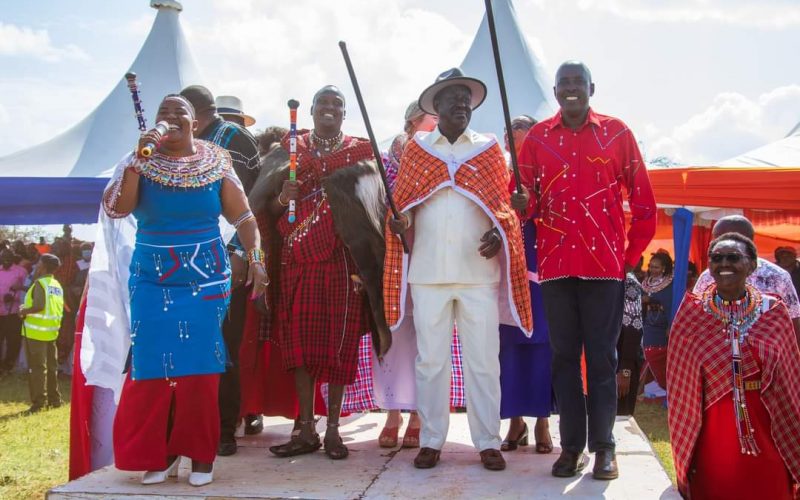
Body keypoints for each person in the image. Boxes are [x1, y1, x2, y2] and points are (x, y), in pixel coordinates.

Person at [102, 94, 267, 486]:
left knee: (200, 369)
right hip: (151, 279)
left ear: (196, 121)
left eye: (181, 111)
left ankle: (201, 455)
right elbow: (117, 208)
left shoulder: (215, 161)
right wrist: (137, 165)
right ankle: (161, 454)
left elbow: (244, 217)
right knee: (151, 367)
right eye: (164, 111)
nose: (171, 117)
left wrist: (256, 259)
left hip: (205, 279)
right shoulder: (138, 160)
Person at [512, 60, 657, 480]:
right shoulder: (537, 138)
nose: (572, 88)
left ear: (591, 87)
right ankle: (571, 447)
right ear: (555, 92)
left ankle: (605, 448)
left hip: (604, 271)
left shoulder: (617, 133)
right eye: (564, 83)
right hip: (556, 269)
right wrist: (522, 204)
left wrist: (627, 259)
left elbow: (645, 205)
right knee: (562, 359)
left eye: (578, 82)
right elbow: (521, 202)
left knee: (602, 360)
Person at [385, 68, 533, 471]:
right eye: (454, 99)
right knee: (430, 361)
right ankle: (432, 439)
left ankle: (487, 441)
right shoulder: (418, 150)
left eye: (467, 100)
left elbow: (502, 210)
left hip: (478, 273)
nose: (462, 105)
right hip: (428, 273)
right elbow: (403, 205)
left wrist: (500, 234)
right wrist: (401, 224)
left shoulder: (488, 150)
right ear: (437, 106)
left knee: (484, 360)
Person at [260, 85, 390, 460]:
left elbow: (375, 209)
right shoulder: (290, 149)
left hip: (344, 263)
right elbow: (263, 205)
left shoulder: (361, 152)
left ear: (344, 114)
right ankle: (305, 428)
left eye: (337, 104)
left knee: (339, 347)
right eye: (323, 103)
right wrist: (285, 196)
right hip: (297, 259)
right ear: (312, 109)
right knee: (300, 348)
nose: (329, 108)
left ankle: (333, 430)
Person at [357, 100, 466, 449]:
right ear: (411, 124)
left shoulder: (446, 156)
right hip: (392, 257)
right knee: (394, 335)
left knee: (429, 336)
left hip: (433, 254)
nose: (436, 126)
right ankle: (392, 410)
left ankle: (420, 413)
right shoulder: (388, 159)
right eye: (429, 121)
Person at [668, 232, 800, 499]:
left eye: (733, 257)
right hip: (711, 426)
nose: (723, 264)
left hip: (768, 423)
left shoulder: (772, 311)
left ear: (752, 265)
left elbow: (790, 380)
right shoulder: (693, 313)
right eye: (716, 258)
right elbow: (680, 381)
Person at [181, 85, 263, 457]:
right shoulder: (185, 146)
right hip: (186, 262)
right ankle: (194, 427)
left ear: (196, 114)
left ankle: (224, 429)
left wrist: (241, 253)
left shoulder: (233, 139)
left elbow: (249, 202)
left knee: (222, 346)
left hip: (224, 259)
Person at [498, 115, 554, 454]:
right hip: (505, 274)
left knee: (543, 344)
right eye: (510, 133)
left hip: (542, 274)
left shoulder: (547, 171)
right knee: (508, 347)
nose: (515, 138)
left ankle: (543, 420)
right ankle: (515, 420)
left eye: (523, 132)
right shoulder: (495, 170)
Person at [694, 215, 800, 346]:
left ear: (750, 243)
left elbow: (793, 321)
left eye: (732, 240)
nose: (724, 246)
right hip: (717, 357)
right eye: (718, 239)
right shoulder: (707, 277)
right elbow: (695, 320)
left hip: (765, 359)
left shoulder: (776, 276)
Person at [19, 253, 64, 412]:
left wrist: (24, 311)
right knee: (51, 367)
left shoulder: (40, 284)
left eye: (38, 263)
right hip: (51, 332)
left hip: (35, 333)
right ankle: (55, 399)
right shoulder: (56, 285)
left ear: (43, 266)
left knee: (37, 368)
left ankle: (39, 402)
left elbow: (39, 306)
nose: (36, 265)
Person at [641, 250, 674, 392]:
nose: (652, 269)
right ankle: (656, 387)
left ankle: (665, 386)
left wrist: (670, 326)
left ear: (664, 268)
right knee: (648, 352)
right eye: (651, 266)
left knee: (657, 354)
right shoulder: (646, 282)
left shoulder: (671, 284)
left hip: (663, 325)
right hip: (648, 324)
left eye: (656, 267)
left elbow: (670, 304)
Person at [616, 273, 644, 416]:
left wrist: (625, 371)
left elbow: (633, 327)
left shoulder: (628, 282)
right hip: (598, 359)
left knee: (620, 418)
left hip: (623, 360)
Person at [0, 249, 28, 374]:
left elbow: (28, 289)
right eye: (3, 258)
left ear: (13, 258)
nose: (6, 260)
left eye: (8, 258)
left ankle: (8, 365)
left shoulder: (21, 271)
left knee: (13, 340)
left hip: (13, 312)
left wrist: (15, 295)